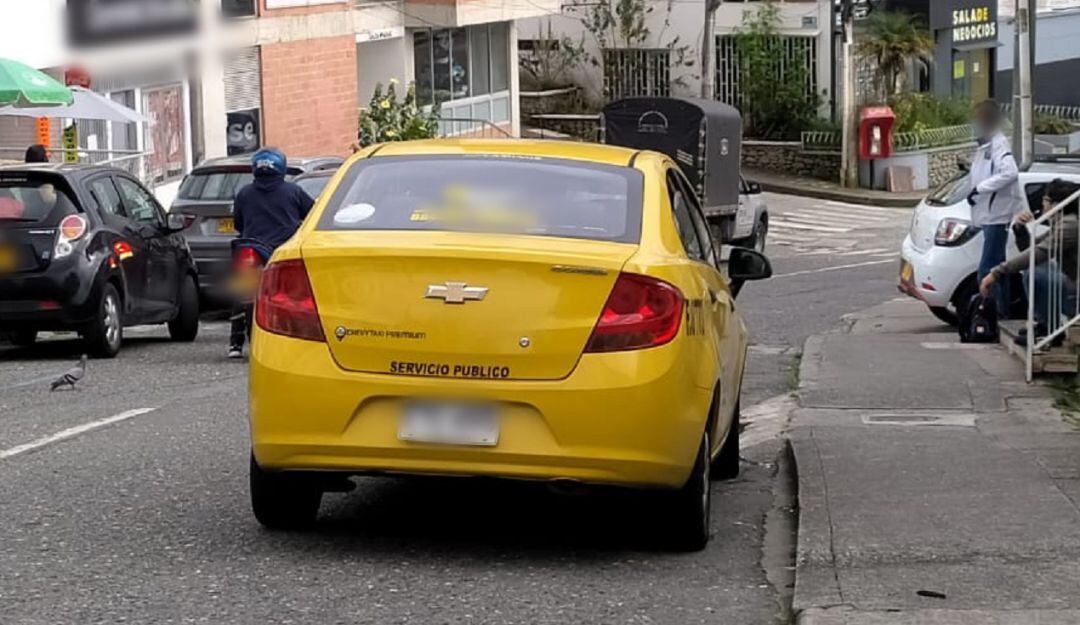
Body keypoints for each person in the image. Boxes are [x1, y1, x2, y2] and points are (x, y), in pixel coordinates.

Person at [228, 147, 315, 359]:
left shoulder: (244, 193)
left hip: (250, 249)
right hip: (281, 251)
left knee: (240, 293)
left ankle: (235, 344)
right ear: (281, 168)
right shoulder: (293, 192)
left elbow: (238, 223)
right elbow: (312, 215)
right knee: (295, 294)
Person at [980, 178, 1080, 342]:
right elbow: (1034, 247)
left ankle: (1049, 329)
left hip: (1075, 293)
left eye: (1045, 199)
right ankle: (1047, 325)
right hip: (1072, 285)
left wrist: (997, 272)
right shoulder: (1063, 222)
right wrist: (1020, 229)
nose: (1042, 204)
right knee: (1036, 269)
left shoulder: (1070, 225)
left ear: (1056, 204)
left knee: (1036, 273)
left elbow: (1039, 253)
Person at [968, 100, 1023, 317]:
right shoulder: (986, 145)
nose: (974, 124)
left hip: (996, 217)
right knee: (998, 268)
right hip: (990, 216)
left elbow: (1010, 172)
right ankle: (1001, 314)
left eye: (978, 119)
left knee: (987, 270)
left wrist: (980, 188)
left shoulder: (999, 145)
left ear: (986, 121)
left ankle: (993, 315)